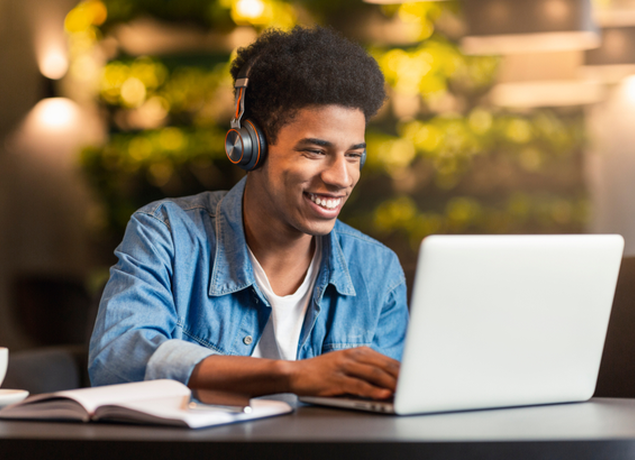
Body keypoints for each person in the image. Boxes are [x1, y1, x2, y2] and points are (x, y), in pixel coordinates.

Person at [88, 26, 409, 400]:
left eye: (353, 155)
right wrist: (291, 376)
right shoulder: (166, 235)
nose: (341, 177)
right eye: (315, 151)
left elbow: (393, 406)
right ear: (248, 147)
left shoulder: (377, 270)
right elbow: (116, 360)